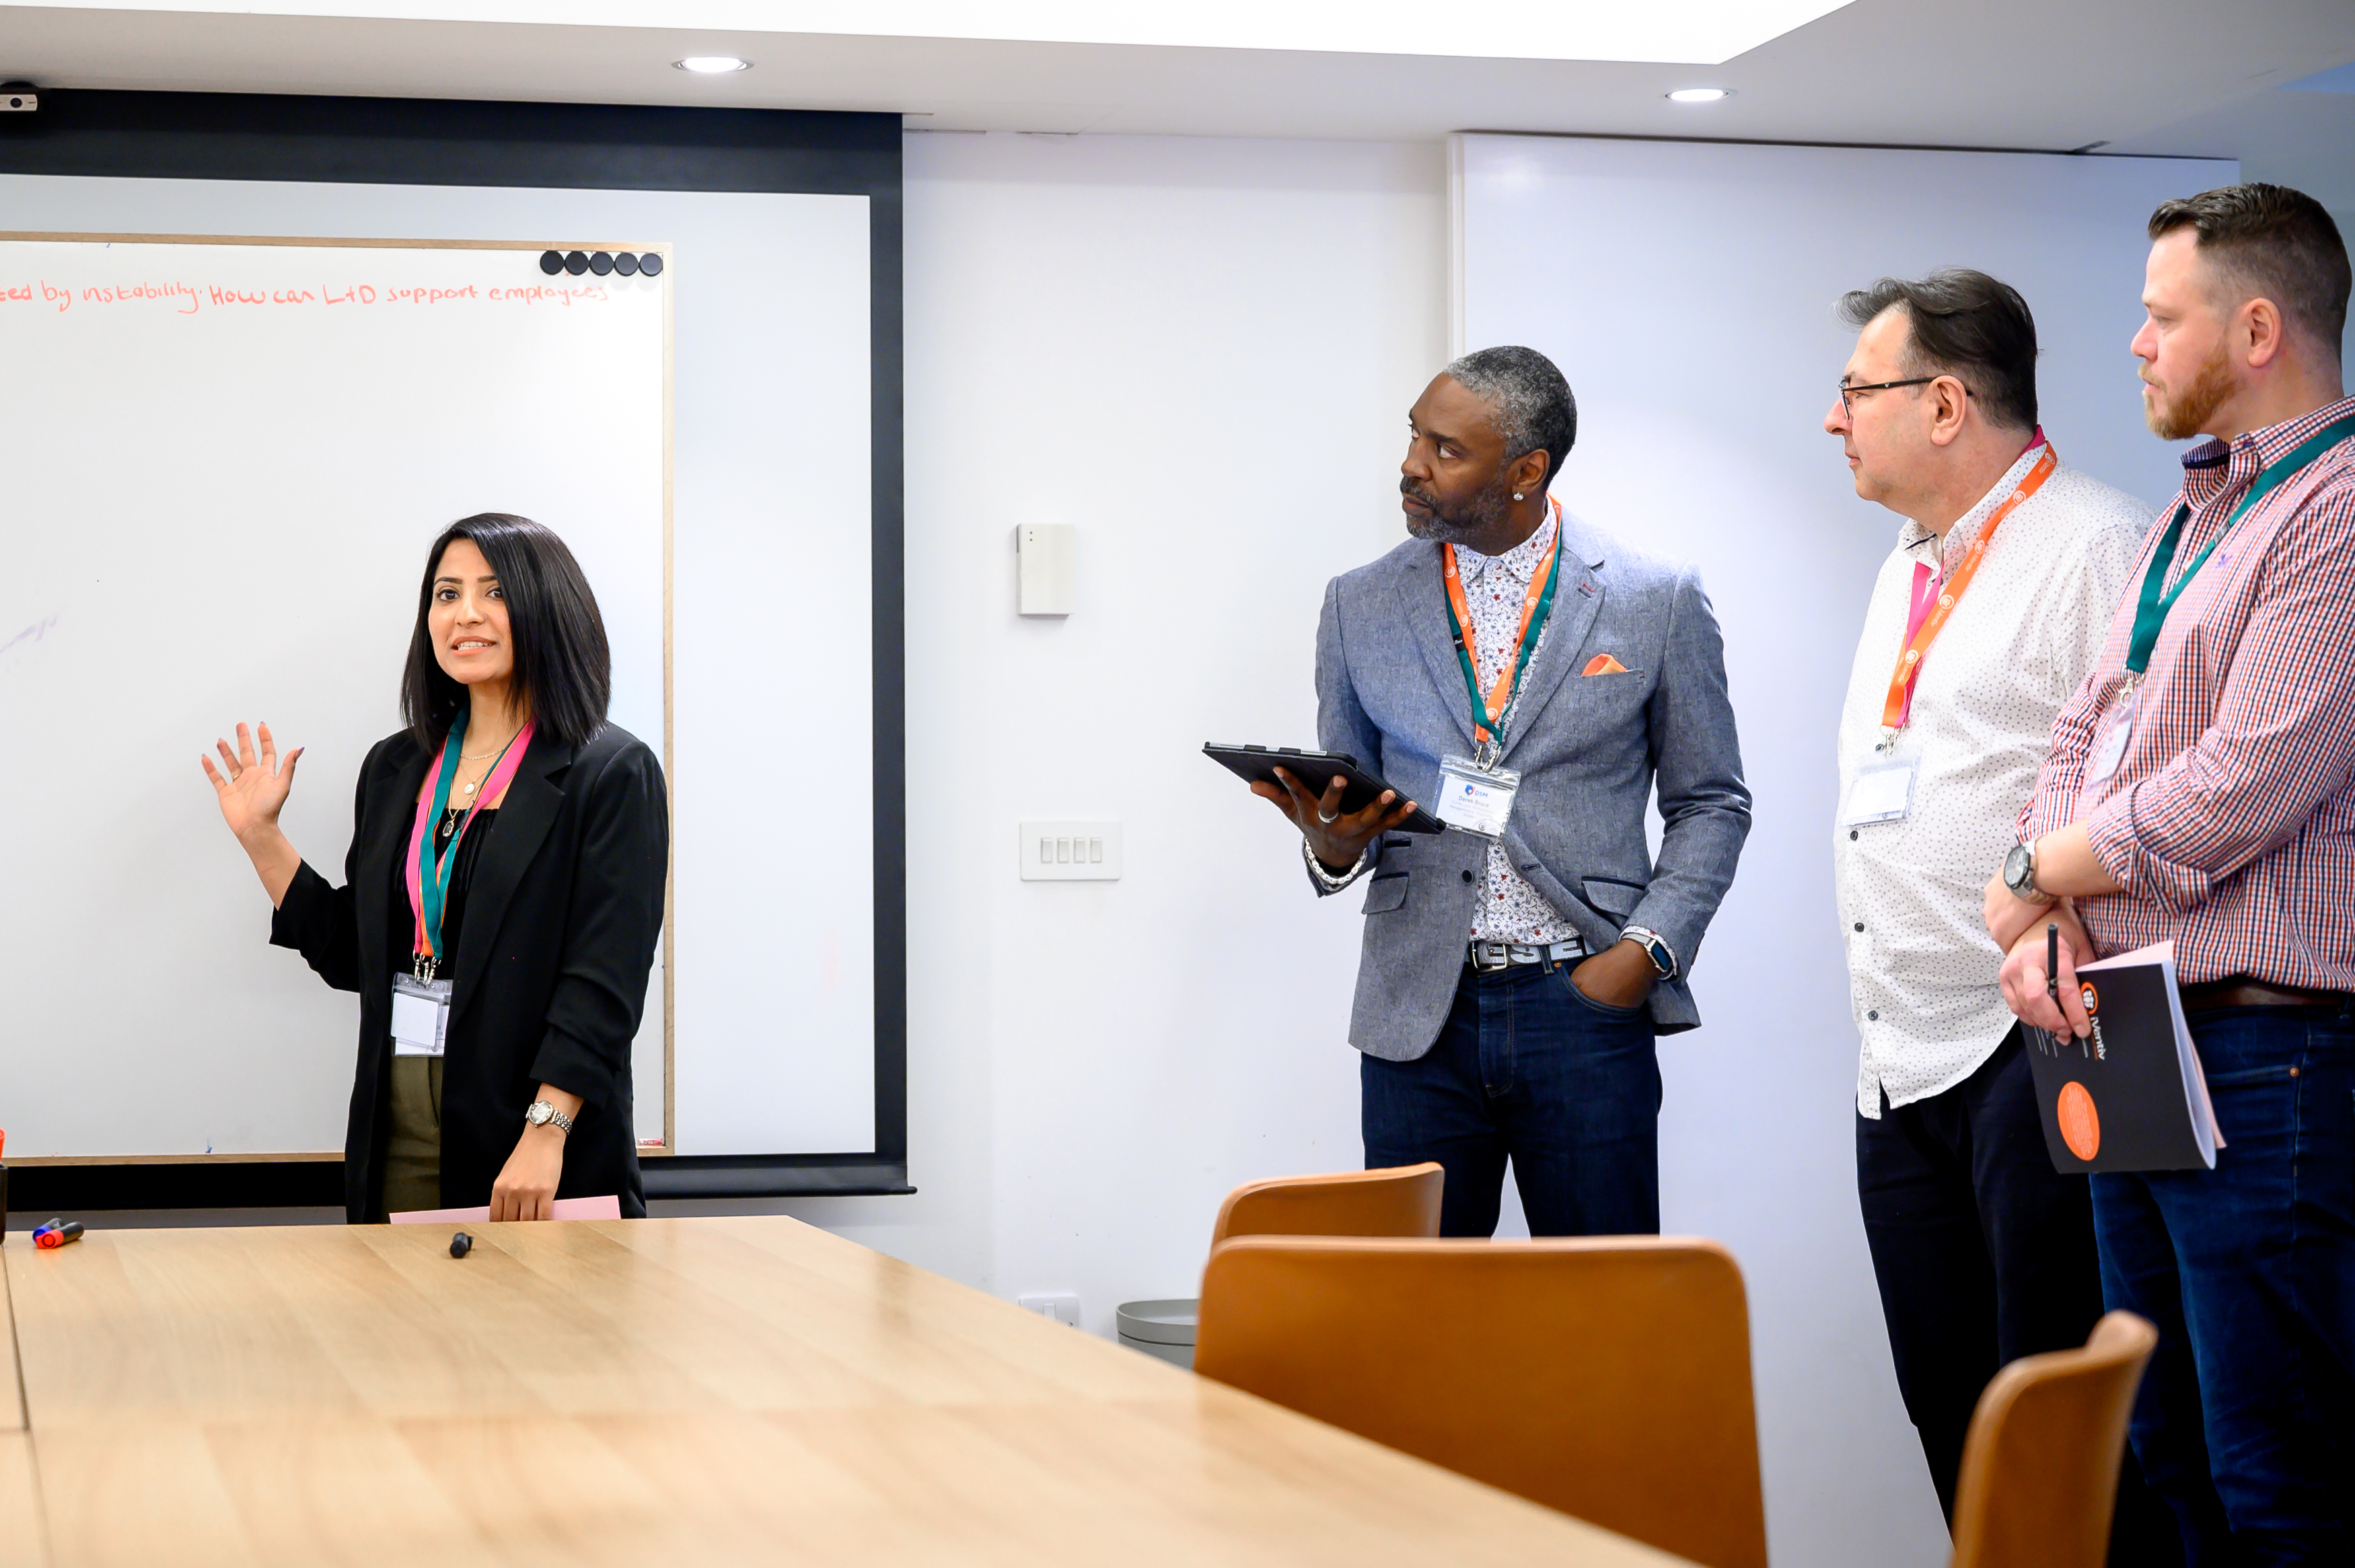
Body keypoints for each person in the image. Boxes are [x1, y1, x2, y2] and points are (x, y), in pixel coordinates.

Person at [1986, 184, 2355, 1560]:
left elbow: (2246, 780)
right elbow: (2083, 727)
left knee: (2280, 1470)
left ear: (2256, 327)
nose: (2134, 341)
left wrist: (2035, 870)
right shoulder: (2193, 516)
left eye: (2160, 315)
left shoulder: (2336, 510)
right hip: (2141, 1037)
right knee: (2171, 1450)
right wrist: (2045, 913)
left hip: (2273, 1059)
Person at [1247, 346, 1750, 1238]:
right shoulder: (1356, 604)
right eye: (1414, 435)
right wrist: (1329, 842)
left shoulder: (1653, 598)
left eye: (1445, 449)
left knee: (1604, 1311)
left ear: (1525, 471)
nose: (1410, 464)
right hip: (1419, 1018)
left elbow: (1712, 800)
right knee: (1416, 1317)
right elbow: (1349, 803)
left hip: (1585, 1006)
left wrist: (1644, 954)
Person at [1824, 270, 2170, 1555]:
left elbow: (2145, 784)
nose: (1834, 418)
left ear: (1947, 401)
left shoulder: (2094, 546)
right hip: (1896, 1059)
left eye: (1857, 391)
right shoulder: (1906, 563)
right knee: (1952, 1410)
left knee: (2067, 1423)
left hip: (2030, 1047)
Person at [205, 513, 667, 1223]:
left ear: (547, 607)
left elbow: (603, 982)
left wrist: (547, 1133)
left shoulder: (608, 772)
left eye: (494, 592)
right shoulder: (397, 768)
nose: (466, 615)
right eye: (446, 594)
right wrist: (262, 838)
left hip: (535, 1147)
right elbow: (358, 961)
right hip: (400, 1141)